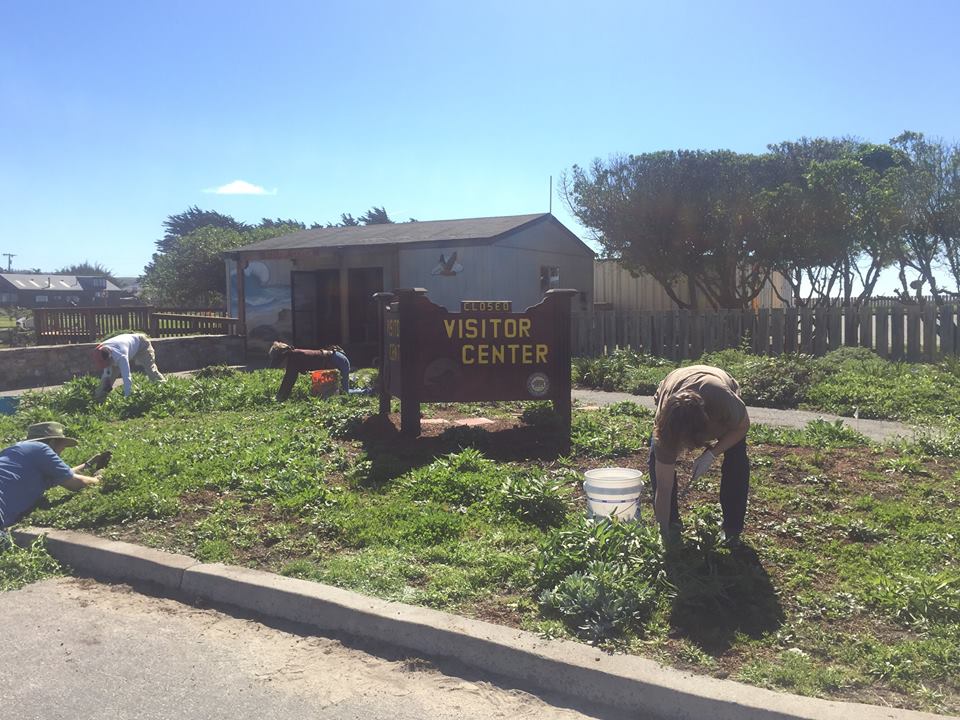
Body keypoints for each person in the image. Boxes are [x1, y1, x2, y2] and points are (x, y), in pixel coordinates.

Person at [648, 365, 751, 548]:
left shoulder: (723, 400)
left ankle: (732, 530)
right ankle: (670, 527)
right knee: (658, 461)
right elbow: (663, 488)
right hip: (675, 380)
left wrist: (711, 454)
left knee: (736, 459)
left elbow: (743, 426)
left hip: (716, 385)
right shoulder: (665, 427)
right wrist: (663, 535)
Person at [0, 422, 102, 532]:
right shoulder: (40, 448)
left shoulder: (13, 452)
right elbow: (75, 483)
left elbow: (63, 474)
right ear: (53, 442)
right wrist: (101, 479)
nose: (61, 452)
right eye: (62, 447)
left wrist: (87, 465)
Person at [93, 332, 166, 400]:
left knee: (151, 370)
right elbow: (107, 373)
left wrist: (127, 398)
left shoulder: (121, 357)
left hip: (142, 344)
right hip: (126, 345)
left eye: (107, 363)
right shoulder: (100, 350)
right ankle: (98, 399)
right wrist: (106, 382)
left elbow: (127, 377)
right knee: (108, 379)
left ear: (110, 357)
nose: (106, 365)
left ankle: (165, 391)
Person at [268, 342, 351, 401]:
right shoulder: (293, 356)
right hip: (333, 361)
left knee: (344, 395)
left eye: (280, 362)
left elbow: (289, 379)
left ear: (283, 356)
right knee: (333, 394)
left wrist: (279, 398)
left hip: (339, 360)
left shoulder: (294, 358)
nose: (281, 365)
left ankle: (363, 392)